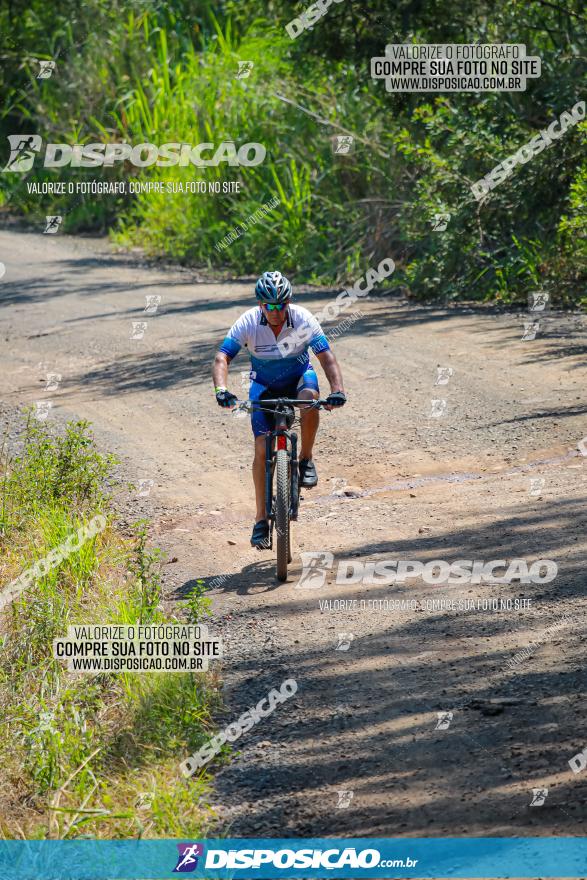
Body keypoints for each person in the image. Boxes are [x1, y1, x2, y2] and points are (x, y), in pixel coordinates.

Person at [212, 270, 346, 548]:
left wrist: (338, 390)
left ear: (289, 302)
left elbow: (326, 357)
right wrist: (221, 390)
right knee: (261, 449)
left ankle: (306, 459)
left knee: (310, 399)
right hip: (263, 386)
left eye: (281, 305)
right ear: (260, 304)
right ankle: (261, 519)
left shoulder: (303, 319)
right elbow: (222, 357)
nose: (275, 311)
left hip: (298, 378)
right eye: (269, 306)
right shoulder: (248, 321)